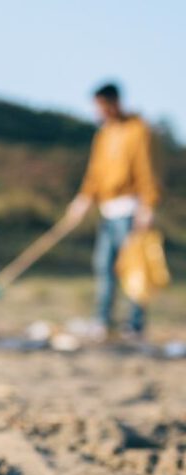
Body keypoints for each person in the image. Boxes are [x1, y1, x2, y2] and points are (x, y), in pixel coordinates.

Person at [65, 83, 161, 339]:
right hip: (107, 210)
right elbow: (95, 174)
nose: (99, 112)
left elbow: (145, 170)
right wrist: (83, 199)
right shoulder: (104, 134)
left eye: (102, 106)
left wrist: (147, 204)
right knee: (103, 266)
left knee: (133, 268)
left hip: (130, 208)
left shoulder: (137, 129)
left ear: (114, 103)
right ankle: (102, 321)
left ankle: (135, 325)